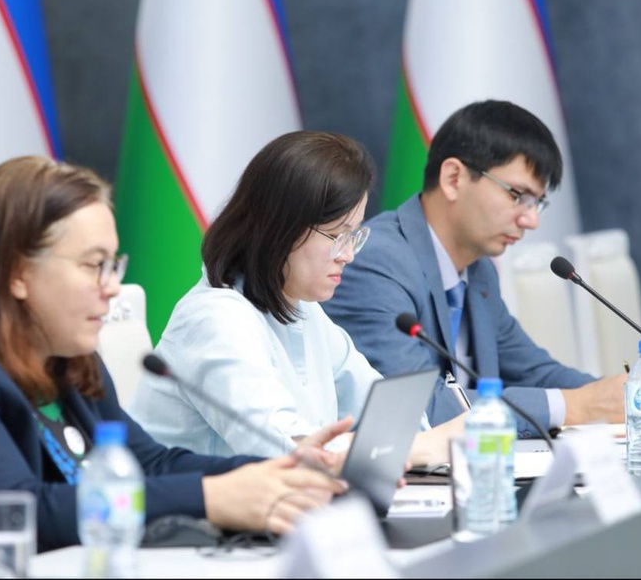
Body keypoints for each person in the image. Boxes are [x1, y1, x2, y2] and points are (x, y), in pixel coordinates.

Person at [0, 157, 348, 578]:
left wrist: (272, 472)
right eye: (94, 265)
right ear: (17, 272)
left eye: (113, 264)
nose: (111, 286)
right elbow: (19, 512)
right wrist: (213, 498)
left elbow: (149, 465)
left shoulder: (68, 359)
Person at [322, 99, 641, 436]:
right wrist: (576, 406)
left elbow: (534, 371)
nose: (531, 220)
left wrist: (627, 395)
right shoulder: (376, 262)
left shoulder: (479, 270)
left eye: (537, 203)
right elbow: (419, 411)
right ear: (453, 179)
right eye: (518, 196)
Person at [131, 131, 464, 466]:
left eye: (354, 235)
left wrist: (428, 444)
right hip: (182, 500)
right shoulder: (214, 319)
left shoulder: (303, 308)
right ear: (278, 228)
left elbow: (391, 416)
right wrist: (428, 446)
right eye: (336, 235)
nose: (348, 255)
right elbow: (289, 453)